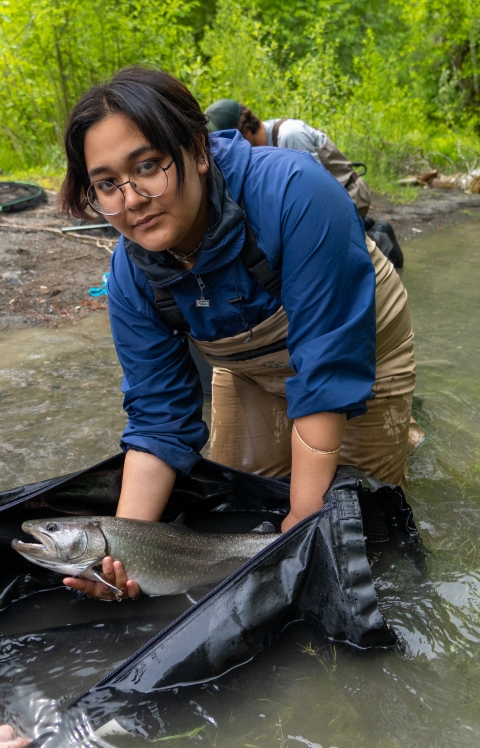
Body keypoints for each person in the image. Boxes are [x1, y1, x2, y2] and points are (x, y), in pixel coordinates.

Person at [57, 66, 415, 601]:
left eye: (149, 166)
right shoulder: (130, 277)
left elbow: (325, 374)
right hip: (249, 367)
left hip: (353, 348)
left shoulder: (297, 193)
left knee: (353, 514)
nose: (130, 200)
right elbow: (159, 419)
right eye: (107, 184)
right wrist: (118, 553)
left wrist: (302, 519)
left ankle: (402, 435)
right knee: (246, 502)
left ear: (198, 151)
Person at [205, 99, 371, 217]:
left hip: (350, 196)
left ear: (246, 130)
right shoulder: (258, 150)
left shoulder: (289, 135)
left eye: (229, 140)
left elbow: (320, 193)